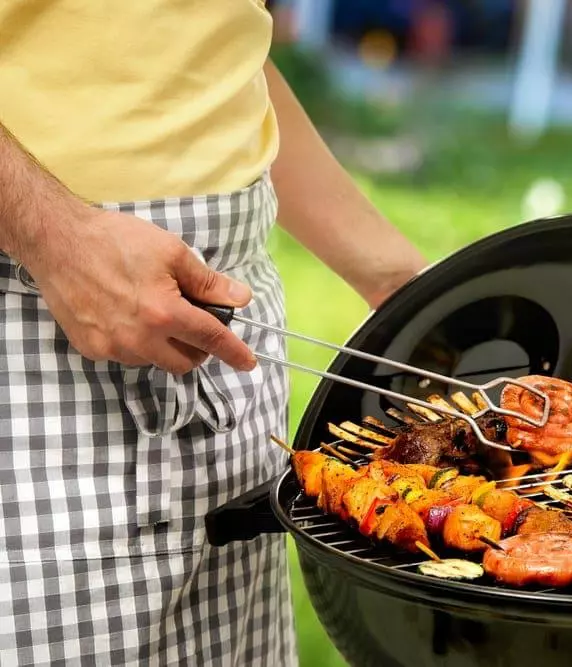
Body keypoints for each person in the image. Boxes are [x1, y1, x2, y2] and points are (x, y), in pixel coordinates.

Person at [0, 2, 427, 665]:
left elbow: (216, 48)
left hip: (234, 364)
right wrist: (54, 235)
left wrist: (396, 278)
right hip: (34, 331)